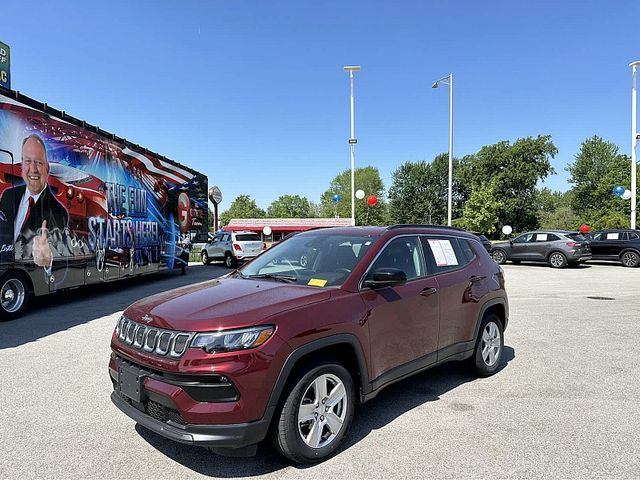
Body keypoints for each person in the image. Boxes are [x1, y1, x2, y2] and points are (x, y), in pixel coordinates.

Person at [0, 134, 70, 270]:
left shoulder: (58, 212)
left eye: (38, 162)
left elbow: (59, 258)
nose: (33, 169)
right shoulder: (8, 195)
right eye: (28, 161)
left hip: (27, 269)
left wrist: (47, 260)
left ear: (47, 168)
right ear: (22, 164)